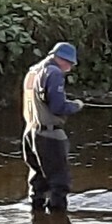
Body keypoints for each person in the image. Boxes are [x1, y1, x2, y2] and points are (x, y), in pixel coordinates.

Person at [22, 41, 83, 212]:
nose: (69, 68)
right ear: (61, 59)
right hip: (48, 135)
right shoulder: (54, 73)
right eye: (70, 63)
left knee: (38, 179)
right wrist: (76, 105)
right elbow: (57, 107)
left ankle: (37, 217)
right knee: (59, 182)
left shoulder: (33, 70)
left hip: (30, 132)